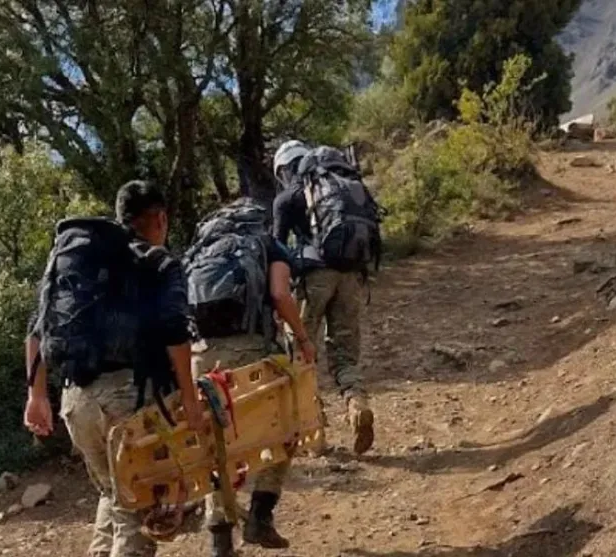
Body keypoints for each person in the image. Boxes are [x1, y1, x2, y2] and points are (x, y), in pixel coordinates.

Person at [23, 181, 204, 557]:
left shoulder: (81, 263)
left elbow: (36, 330)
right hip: (129, 401)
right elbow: (175, 333)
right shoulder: (159, 263)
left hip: (76, 402)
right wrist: (189, 398)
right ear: (161, 218)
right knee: (142, 513)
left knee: (115, 497)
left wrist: (36, 396)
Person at [183, 197, 317, 557]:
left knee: (215, 448)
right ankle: (260, 515)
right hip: (251, 351)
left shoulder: (199, 250)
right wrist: (303, 338)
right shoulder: (266, 243)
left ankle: (219, 540)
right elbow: (279, 293)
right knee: (283, 428)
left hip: (202, 355)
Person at [271, 140, 376, 455]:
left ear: (283, 169)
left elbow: (276, 249)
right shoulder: (340, 184)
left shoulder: (287, 198)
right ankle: (356, 403)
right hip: (351, 276)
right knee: (344, 353)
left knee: (301, 355)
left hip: (312, 280)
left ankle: (315, 436)